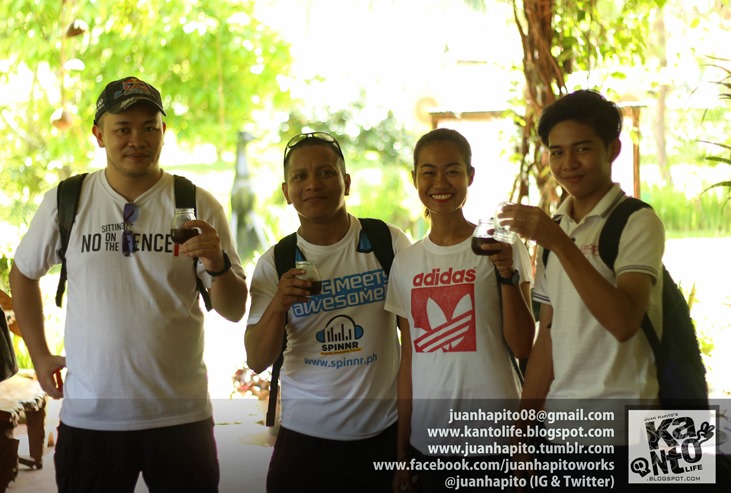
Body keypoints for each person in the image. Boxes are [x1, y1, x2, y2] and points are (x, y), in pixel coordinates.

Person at [9, 76, 248, 493]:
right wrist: (41, 355)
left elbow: (234, 308)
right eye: (123, 128)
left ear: (163, 131)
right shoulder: (67, 201)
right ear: (99, 135)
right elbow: (24, 273)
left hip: (181, 419)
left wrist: (217, 263)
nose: (137, 139)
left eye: (149, 127)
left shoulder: (195, 204)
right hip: (91, 419)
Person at [498, 90, 664, 489]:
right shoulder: (556, 228)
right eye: (557, 152)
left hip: (632, 432)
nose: (568, 163)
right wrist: (522, 433)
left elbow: (624, 323)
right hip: (563, 430)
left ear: (613, 149)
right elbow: (547, 338)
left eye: (582, 149)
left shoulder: (636, 221)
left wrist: (558, 242)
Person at [245, 131, 411, 493]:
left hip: (383, 433)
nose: (313, 184)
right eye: (300, 176)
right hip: (306, 437)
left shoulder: (387, 242)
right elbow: (256, 359)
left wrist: (406, 446)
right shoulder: (276, 262)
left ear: (346, 182)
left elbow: (416, 344)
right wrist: (279, 304)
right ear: (287, 191)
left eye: (325, 173)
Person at [384, 128, 535, 493]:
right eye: (429, 172)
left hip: (497, 439)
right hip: (430, 441)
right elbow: (409, 361)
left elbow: (523, 345)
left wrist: (507, 274)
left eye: (452, 170)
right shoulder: (405, 262)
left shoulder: (500, 246)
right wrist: (402, 453)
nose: (440, 182)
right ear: (415, 178)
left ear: (470, 175)